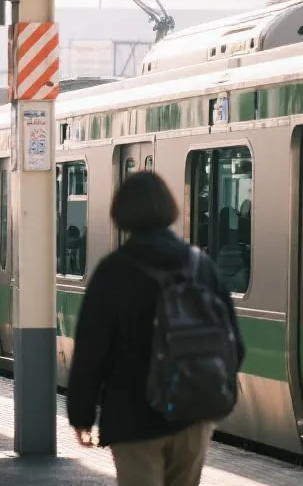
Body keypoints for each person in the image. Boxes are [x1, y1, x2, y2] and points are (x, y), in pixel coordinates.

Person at [66, 171, 246, 486]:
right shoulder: (201, 266)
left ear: (120, 213)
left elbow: (91, 353)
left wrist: (81, 416)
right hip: (192, 415)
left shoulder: (113, 271)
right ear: (169, 208)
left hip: (133, 418)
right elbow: (235, 345)